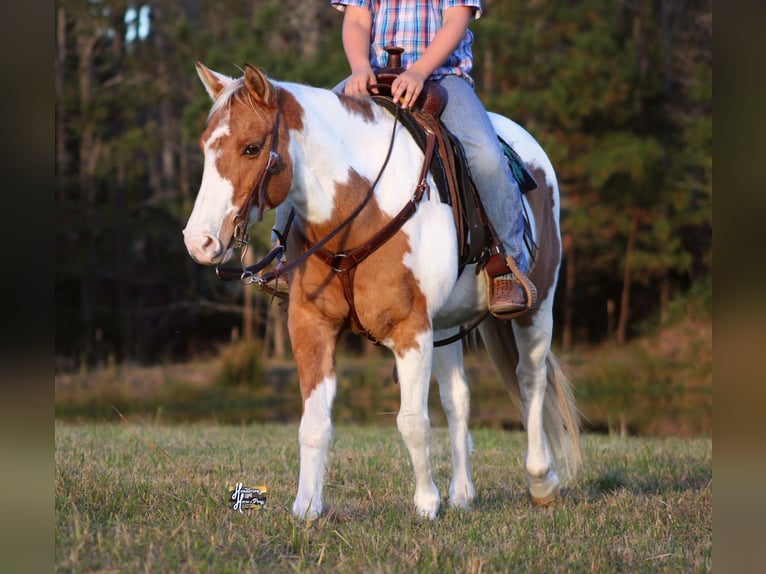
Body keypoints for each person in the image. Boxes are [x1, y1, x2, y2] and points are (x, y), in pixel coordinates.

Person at [331, 0, 534, 315]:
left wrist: (418, 72)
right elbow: (357, 20)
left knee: (485, 156)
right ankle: (287, 250)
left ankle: (507, 264)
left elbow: (456, 20)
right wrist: (359, 67)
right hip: (373, 76)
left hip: (442, 77)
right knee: (308, 128)